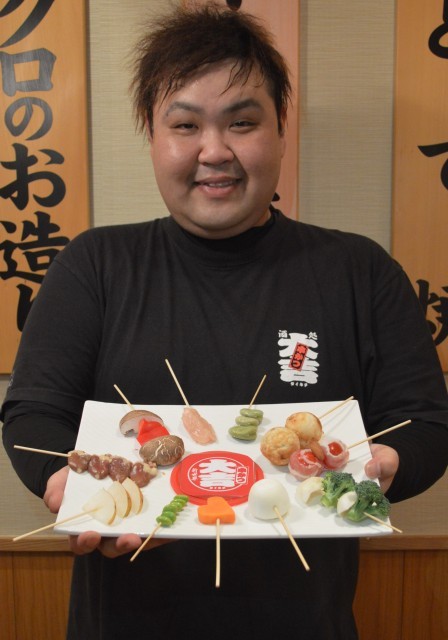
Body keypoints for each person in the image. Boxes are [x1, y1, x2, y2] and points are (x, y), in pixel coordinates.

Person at [2, 3, 447, 639]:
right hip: (125, 623)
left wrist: (372, 469)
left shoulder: (359, 269)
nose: (214, 151)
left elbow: (426, 423)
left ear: (281, 129)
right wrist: (67, 486)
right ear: (152, 136)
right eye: (185, 124)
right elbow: (33, 415)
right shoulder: (94, 265)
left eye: (242, 122)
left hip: (305, 624)